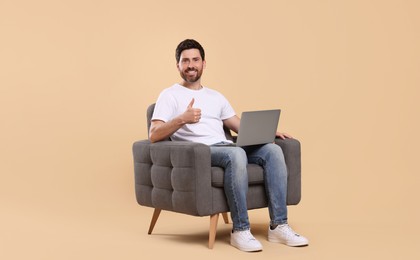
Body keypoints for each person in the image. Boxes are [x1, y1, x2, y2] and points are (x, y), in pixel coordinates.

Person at [149, 39, 308, 252]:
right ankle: (240, 230)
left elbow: (238, 126)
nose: (190, 65)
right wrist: (182, 119)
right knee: (236, 156)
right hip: (201, 153)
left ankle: (278, 225)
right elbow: (153, 135)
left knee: (273, 150)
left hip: (226, 146)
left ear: (204, 63)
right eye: (185, 61)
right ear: (177, 65)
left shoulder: (216, 96)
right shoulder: (169, 95)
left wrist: (268, 134)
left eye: (195, 60)